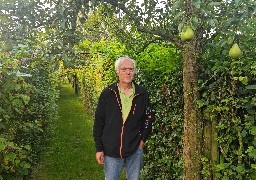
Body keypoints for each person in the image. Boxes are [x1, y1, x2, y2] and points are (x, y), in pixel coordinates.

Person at [93, 56, 153, 180]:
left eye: (131, 69)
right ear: (117, 72)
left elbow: (148, 118)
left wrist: (142, 141)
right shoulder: (108, 93)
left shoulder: (142, 93)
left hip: (135, 149)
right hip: (111, 150)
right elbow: (99, 122)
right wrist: (99, 148)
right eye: (124, 69)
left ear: (135, 72)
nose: (128, 72)